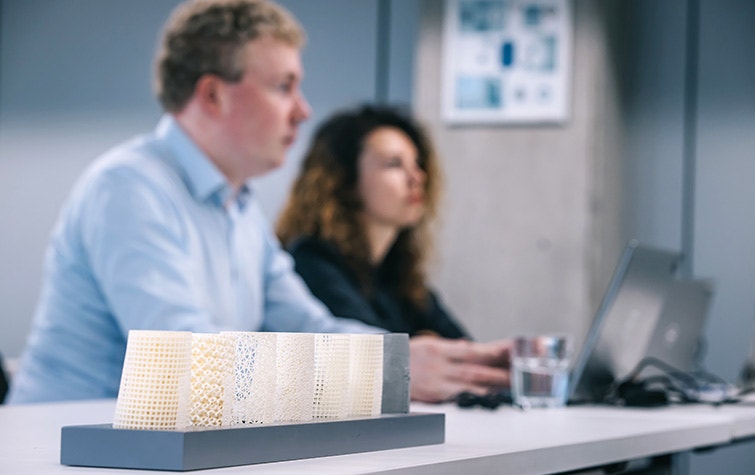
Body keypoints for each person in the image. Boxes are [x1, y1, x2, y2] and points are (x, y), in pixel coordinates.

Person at [8, 0, 509, 405]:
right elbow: (185, 366)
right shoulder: (128, 189)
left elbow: (311, 326)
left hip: (153, 451)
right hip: (57, 452)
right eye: (283, 87)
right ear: (212, 96)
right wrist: (385, 371)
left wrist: (414, 359)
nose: (303, 110)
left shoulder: (239, 208)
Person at [276, 104, 511, 401]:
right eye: (393, 164)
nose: (417, 177)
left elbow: (461, 354)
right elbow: (384, 361)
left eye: (417, 163)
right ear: (344, 181)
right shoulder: (312, 260)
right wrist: (420, 349)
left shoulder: (397, 272)